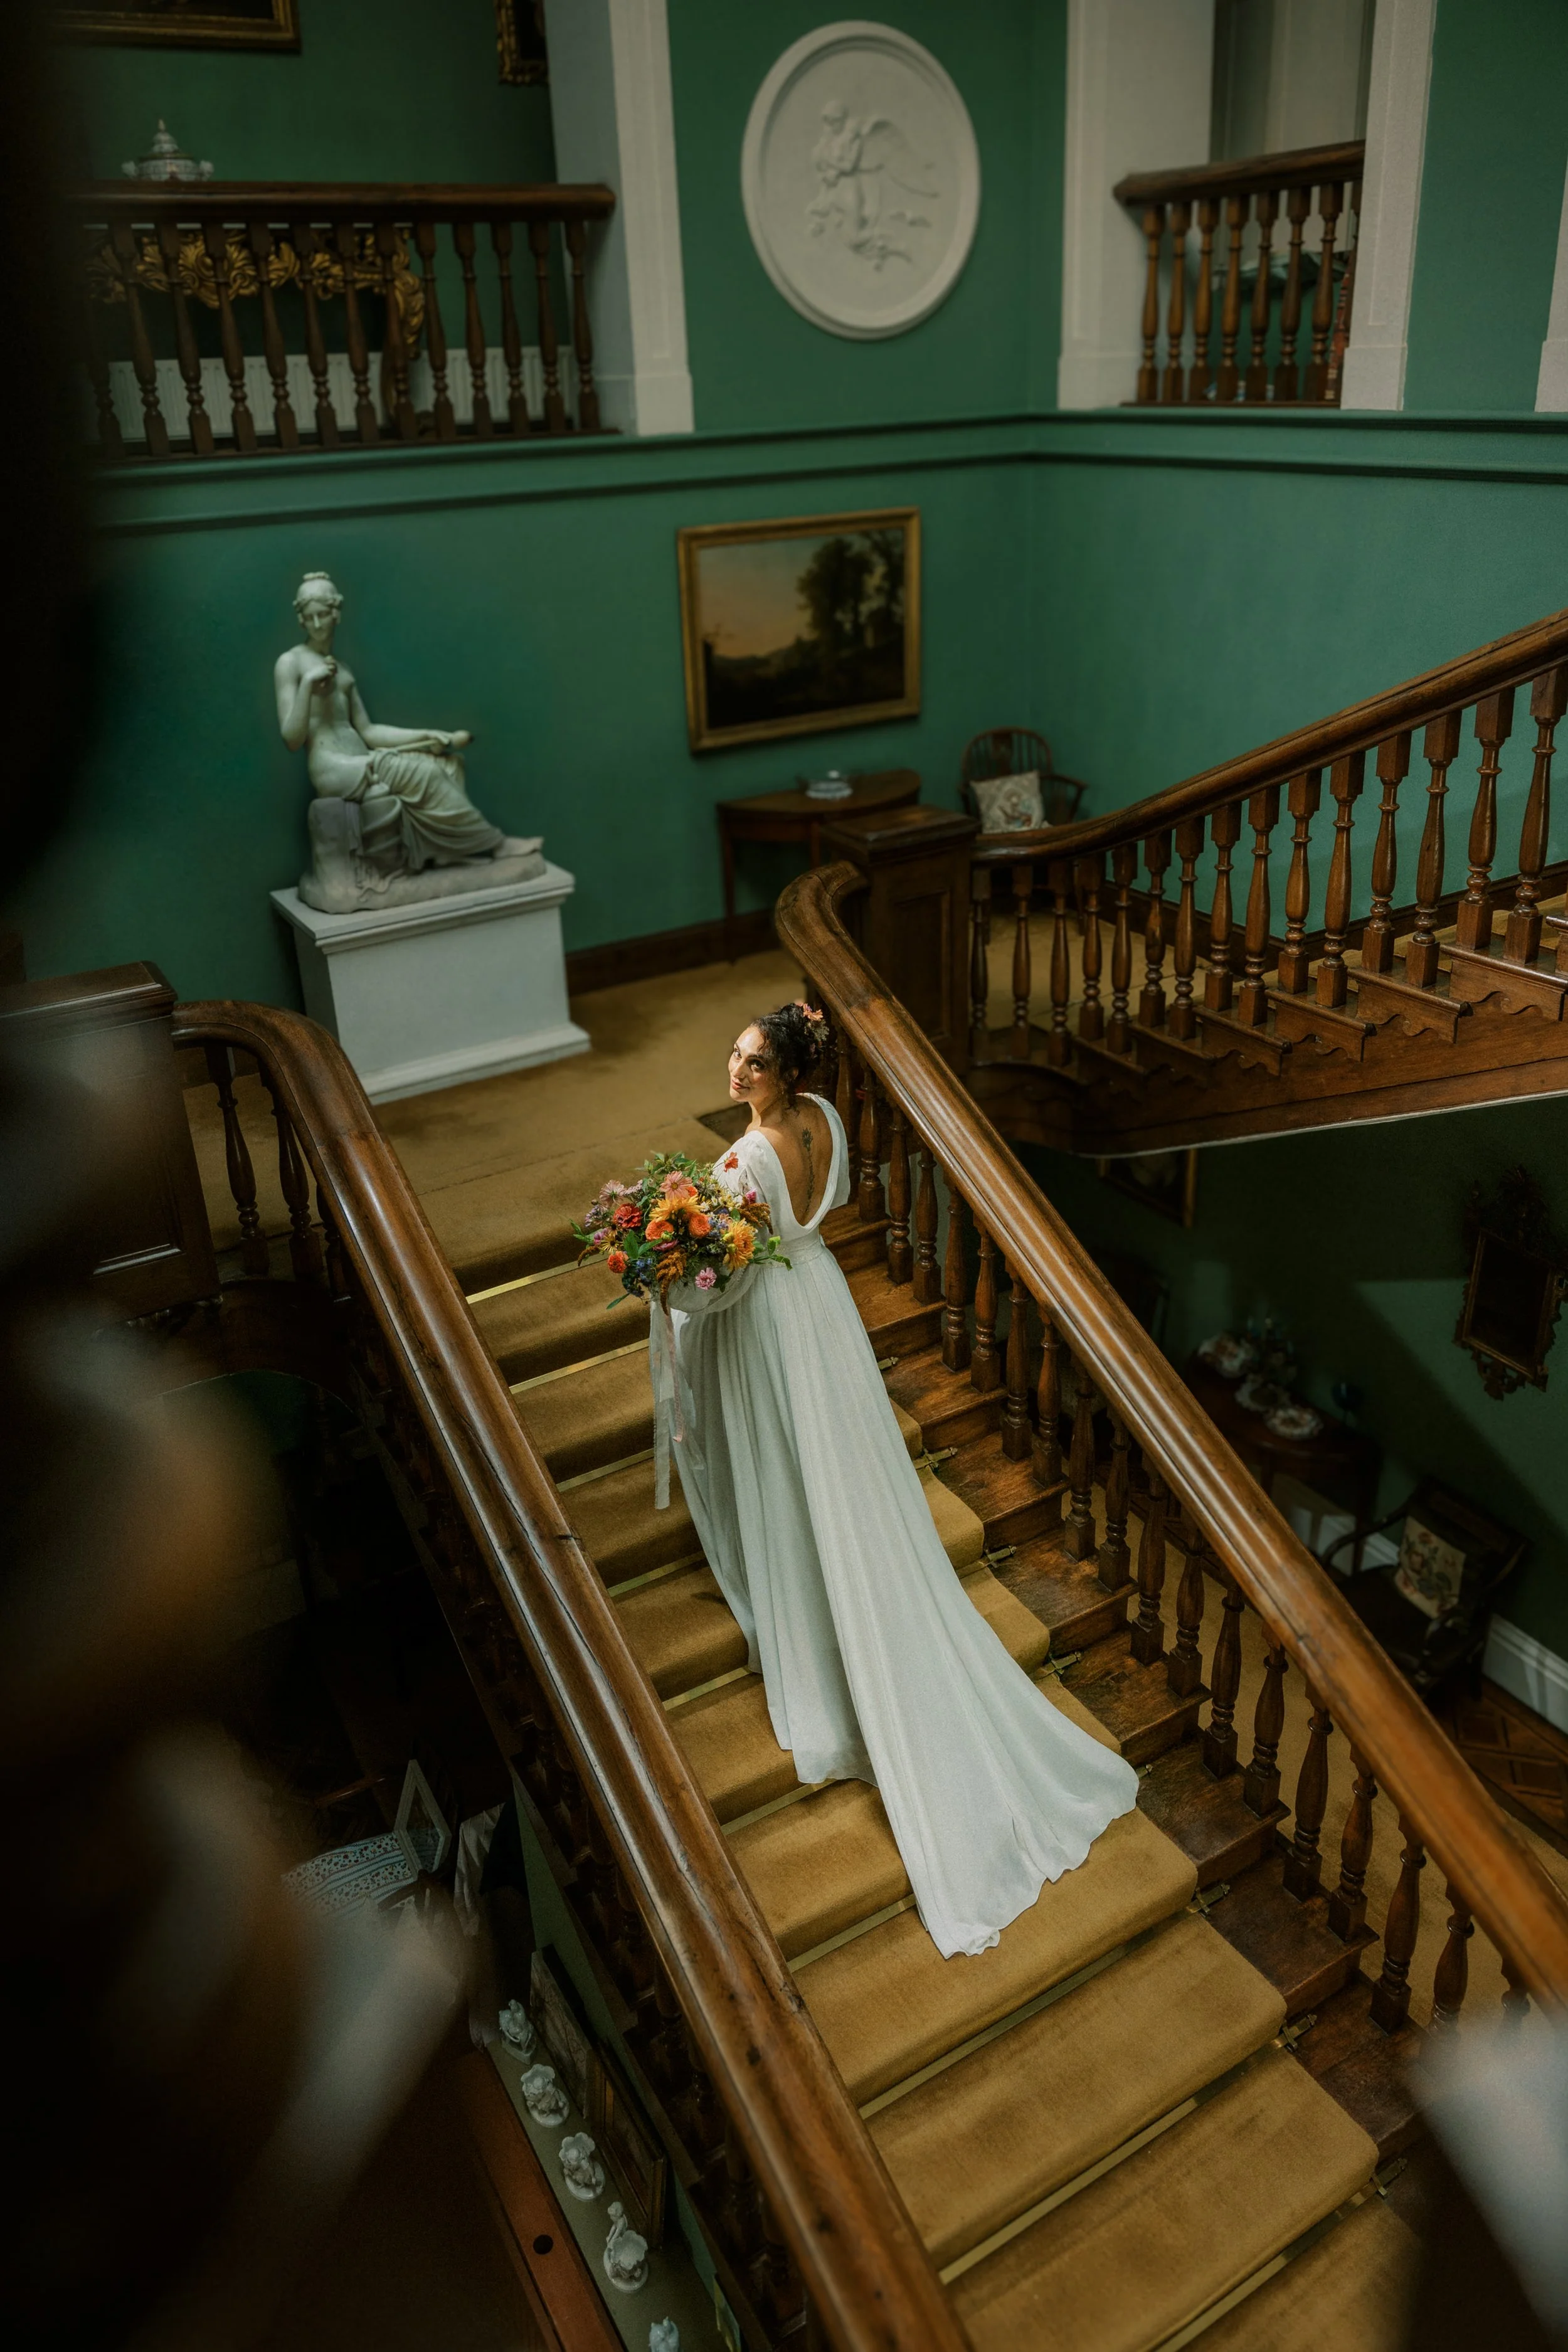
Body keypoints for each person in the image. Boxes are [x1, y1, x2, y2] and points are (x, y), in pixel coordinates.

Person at [669, 1002, 1138, 1959]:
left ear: (786, 1073)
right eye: (735, 1055)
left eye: (753, 1062)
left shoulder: (747, 1160)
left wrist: (677, 1286)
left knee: (793, 1467)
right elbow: (820, 1212)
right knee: (841, 1466)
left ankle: (818, 1623)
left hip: (775, 1323)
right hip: (824, 1304)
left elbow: (733, 1276)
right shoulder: (827, 1123)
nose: (736, 1071)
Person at [275, 571, 506, 872]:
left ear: (336, 614)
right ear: (301, 620)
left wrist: (427, 735)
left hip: (363, 758)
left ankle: (443, 851)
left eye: (323, 615)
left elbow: (369, 732)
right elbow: (292, 739)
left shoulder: (344, 670)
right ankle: (494, 844)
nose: (317, 624)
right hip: (333, 767)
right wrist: (307, 684)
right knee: (427, 774)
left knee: (446, 765)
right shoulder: (291, 663)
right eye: (309, 617)